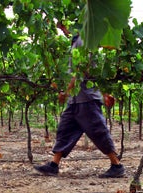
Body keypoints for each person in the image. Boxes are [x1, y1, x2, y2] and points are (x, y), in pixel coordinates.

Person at [34, 34, 126, 178]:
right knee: (65, 130)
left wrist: (66, 92)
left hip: (87, 99)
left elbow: (80, 71)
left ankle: (116, 165)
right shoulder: (76, 40)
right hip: (75, 100)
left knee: (98, 132)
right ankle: (54, 165)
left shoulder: (82, 41)